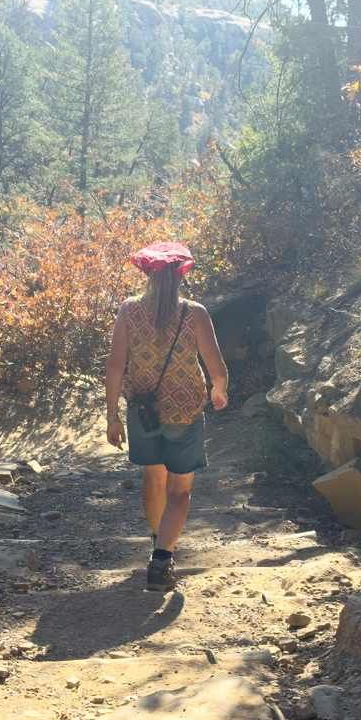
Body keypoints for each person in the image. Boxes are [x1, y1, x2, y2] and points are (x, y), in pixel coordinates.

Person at [104, 242, 229, 591]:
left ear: (147, 274)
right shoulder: (195, 312)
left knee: (153, 479)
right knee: (180, 493)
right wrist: (219, 391)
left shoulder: (129, 311)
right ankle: (162, 558)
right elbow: (216, 369)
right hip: (185, 411)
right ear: (179, 275)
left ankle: (161, 543)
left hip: (142, 411)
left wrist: (112, 415)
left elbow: (115, 367)